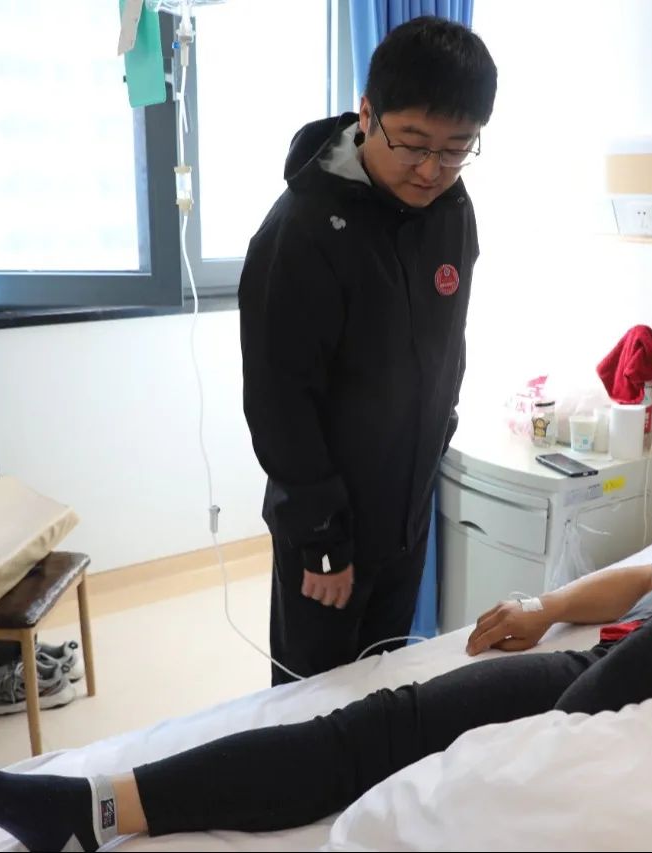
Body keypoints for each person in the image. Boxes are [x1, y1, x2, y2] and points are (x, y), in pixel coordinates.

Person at [0, 529, 652, 851]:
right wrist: (544, 606)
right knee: (381, 723)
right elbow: (643, 577)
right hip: (604, 659)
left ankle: (516, 774)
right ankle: (92, 809)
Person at [238, 17, 498, 685]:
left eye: (456, 149)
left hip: (405, 505)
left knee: (385, 678)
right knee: (314, 699)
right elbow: (279, 403)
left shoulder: (451, 209)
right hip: (328, 521)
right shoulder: (300, 232)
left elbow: (446, 346)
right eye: (412, 143)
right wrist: (322, 540)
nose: (432, 169)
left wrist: (437, 437)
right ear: (366, 114)